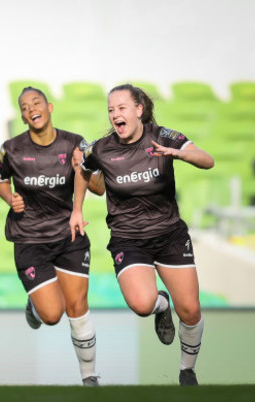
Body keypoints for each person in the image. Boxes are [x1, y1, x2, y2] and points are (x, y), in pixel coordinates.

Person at [69, 83, 215, 386]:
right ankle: (161, 304)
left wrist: (179, 153)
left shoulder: (163, 136)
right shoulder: (102, 148)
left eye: (121, 108)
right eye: (110, 110)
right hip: (128, 239)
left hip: (170, 236)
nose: (114, 115)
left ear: (138, 110)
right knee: (142, 305)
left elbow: (207, 160)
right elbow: (82, 169)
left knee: (189, 310)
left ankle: (187, 371)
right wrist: (77, 210)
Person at [0, 86, 105, 386]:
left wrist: (82, 168)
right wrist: (9, 198)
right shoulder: (11, 148)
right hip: (29, 239)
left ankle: (90, 378)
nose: (32, 107)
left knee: (77, 308)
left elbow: (99, 187)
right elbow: (1, 179)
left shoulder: (75, 143)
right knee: (52, 314)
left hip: (68, 235)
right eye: (25, 105)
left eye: (37, 102)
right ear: (22, 115)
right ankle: (35, 305)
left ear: (50, 107)